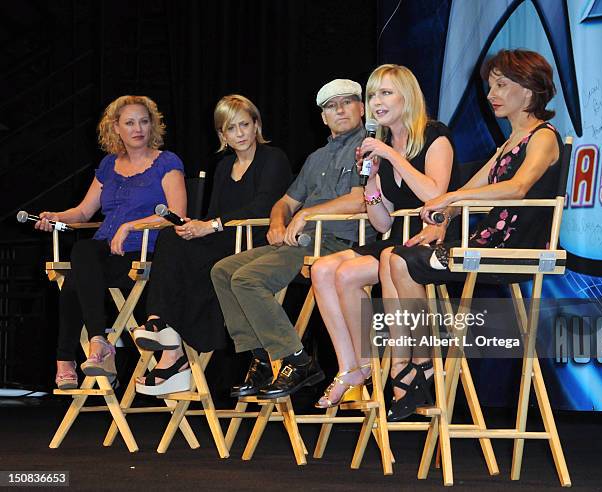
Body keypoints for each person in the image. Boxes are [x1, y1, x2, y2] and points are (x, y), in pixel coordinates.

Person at [382, 49, 562, 421]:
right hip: (486, 240)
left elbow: (517, 188)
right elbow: (467, 193)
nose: (491, 93)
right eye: (490, 85)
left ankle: (421, 366)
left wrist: (450, 198)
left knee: (401, 260)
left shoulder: (543, 137)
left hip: (516, 244)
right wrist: (441, 219)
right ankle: (421, 364)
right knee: (398, 257)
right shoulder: (510, 143)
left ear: (528, 93)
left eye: (501, 85)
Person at [210, 79, 371, 400]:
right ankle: (260, 358)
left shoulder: (367, 147)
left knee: (247, 279)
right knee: (223, 271)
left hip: (335, 243)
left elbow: (359, 200)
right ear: (323, 117)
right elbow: (284, 202)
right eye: (331, 106)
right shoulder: (317, 158)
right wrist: (277, 222)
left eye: (347, 102)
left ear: (361, 108)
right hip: (300, 240)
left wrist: (306, 216)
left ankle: (296, 360)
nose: (339, 110)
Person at [310, 64, 459, 408]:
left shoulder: (435, 136)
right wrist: (373, 182)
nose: (377, 101)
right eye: (373, 94)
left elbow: (434, 192)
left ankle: (396, 362)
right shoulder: (384, 144)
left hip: (427, 240)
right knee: (321, 269)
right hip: (392, 238)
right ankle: (352, 366)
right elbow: (380, 221)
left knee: (346, 273)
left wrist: (391, 155)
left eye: (386, 93)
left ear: (408, 96)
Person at [132, 94, 292, 396]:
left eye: (245, 124)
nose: (241, 133)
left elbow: (263, 207)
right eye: (232, 128)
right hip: (224, 241)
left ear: (256, 125)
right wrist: (196, 227)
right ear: (223, 135)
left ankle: (172, 355)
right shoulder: (224, 167)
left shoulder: (274, 158)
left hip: (255, 242)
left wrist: (210, 226)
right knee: (172, 236)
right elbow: (214, 213)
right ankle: (160, 326)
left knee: (192, 258)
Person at [36, 95, 187, 389]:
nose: (138, 128)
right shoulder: (109, 165)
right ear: (116, 128)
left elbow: (178, 215)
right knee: (83, 253)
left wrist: (131, 226)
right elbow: (82, 212)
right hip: (105, 253)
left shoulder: (166, 162)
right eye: (129, 123)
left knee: (76, 274)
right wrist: (53, 217)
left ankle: (67, 357)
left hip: (145, 253)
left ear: (152, 125)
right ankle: (99, 341)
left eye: (144, 121)